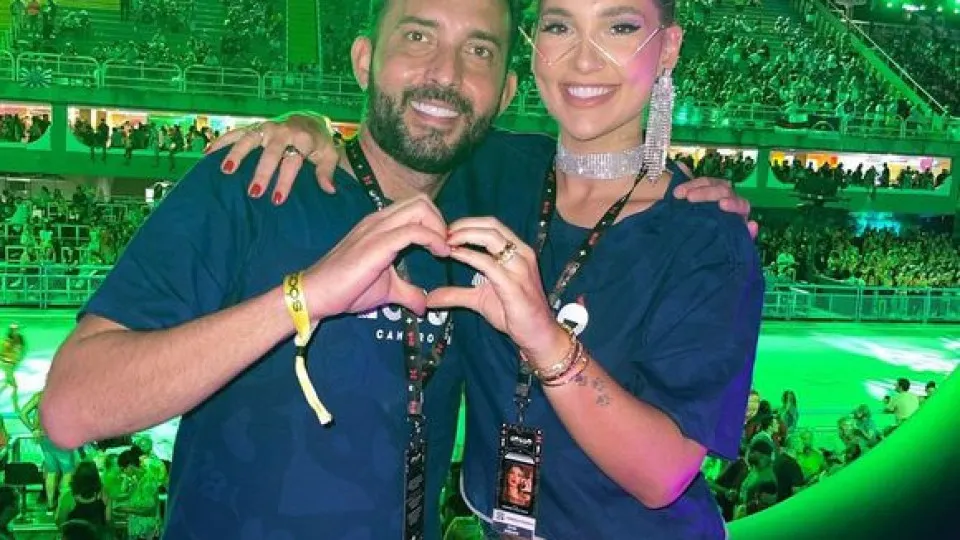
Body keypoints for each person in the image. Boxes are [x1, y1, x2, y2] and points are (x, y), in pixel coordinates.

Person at [212, 0, 762, 537]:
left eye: (619, 27)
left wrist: (544, 337)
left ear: (668, 47)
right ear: (534, 46)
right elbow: (393, 141)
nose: (583, 59)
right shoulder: (488, 170)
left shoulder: (705, 237)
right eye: (559, 26)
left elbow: (663, 476)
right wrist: (309, 128)